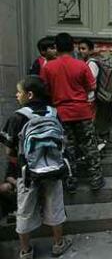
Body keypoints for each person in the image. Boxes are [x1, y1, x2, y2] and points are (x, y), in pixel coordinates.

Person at [0, 76, 71, 259]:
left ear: (29, 94)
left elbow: (9, 152)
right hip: (54, 169)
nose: (17, 95)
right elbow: (64, 141)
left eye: (19, 92)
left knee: (24, 210)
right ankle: (58, 244)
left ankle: (25, 250)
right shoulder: (54, 113)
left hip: (27, 172)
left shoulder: (17, 117)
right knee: (55, 205)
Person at [41, 32, 104, 192]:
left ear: (56, 47)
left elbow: (44, 89)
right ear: (72, 46)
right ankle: (96, 180)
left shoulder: (48, 67)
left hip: (61, 114)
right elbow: (92, 86)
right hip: (82, 112)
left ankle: (70, 182)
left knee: (67, 149)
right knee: (90, 147)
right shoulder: (81, 65)